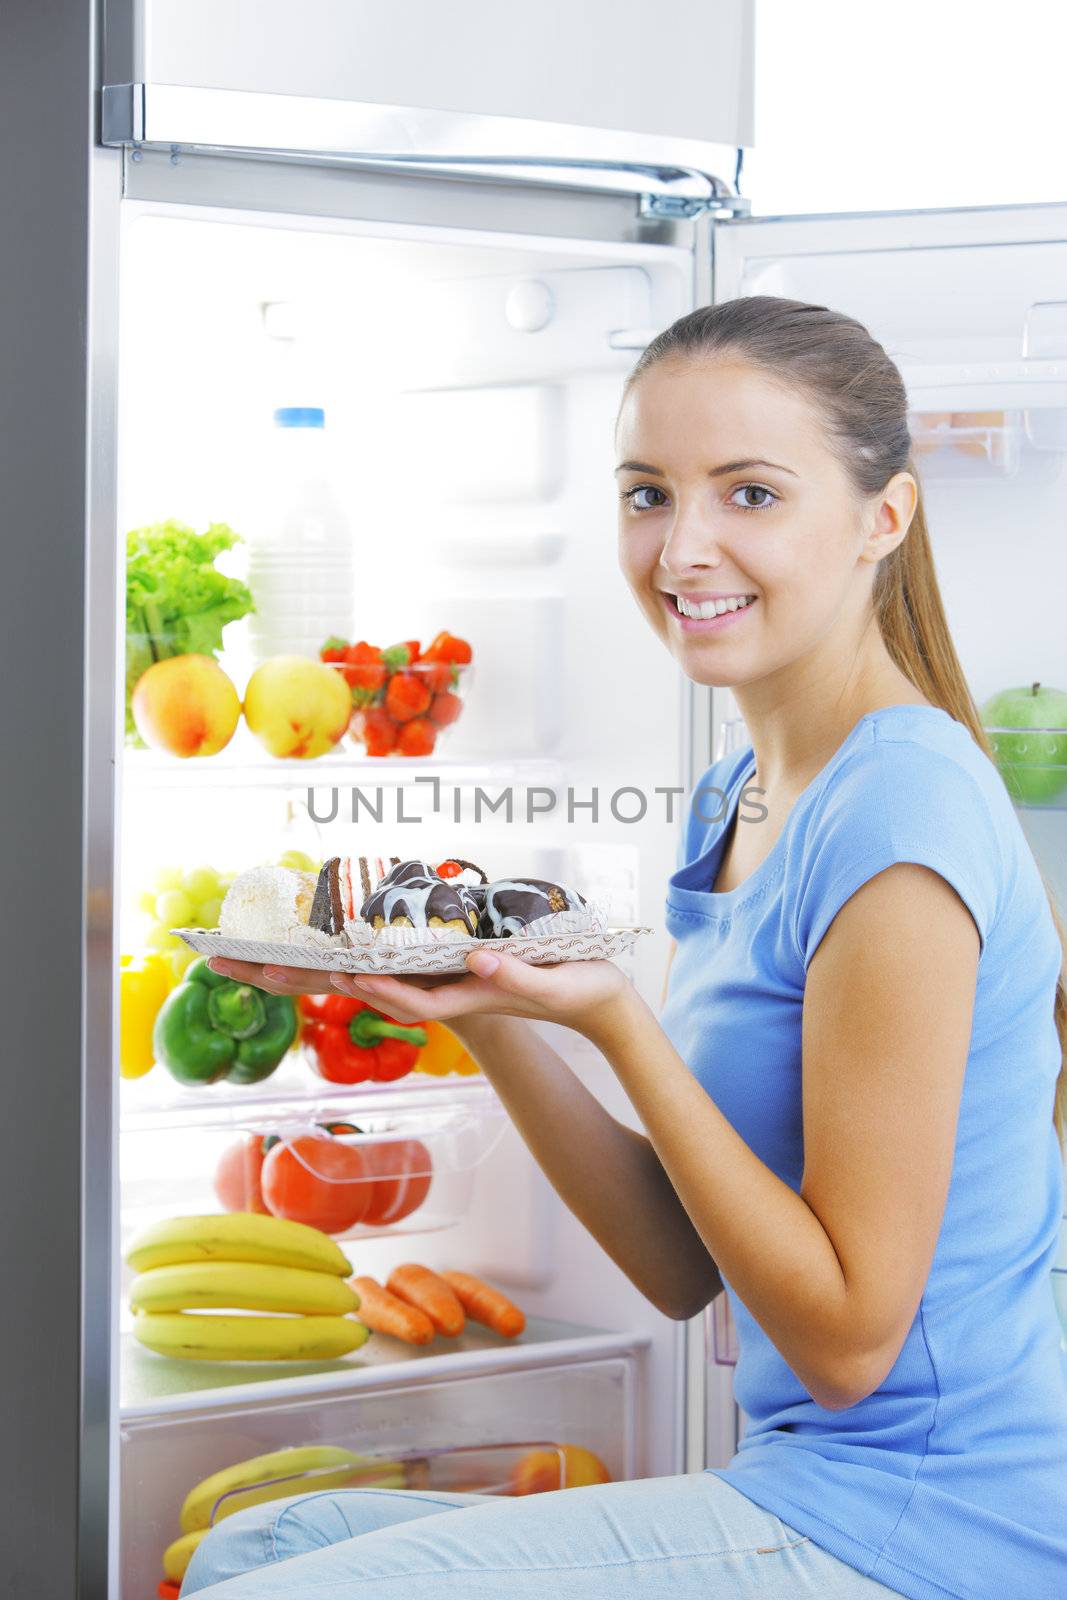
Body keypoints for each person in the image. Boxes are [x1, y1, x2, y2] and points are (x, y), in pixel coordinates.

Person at [182, 297, 1067, 1600]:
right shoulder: (738, 801)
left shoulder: (903, 809)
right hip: (808, 1485)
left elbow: (847, 1348)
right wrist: (483, 1008)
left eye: (751, 494)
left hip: (938, 1522)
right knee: (256, 1549)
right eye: (648, 493)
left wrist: (615, 1023)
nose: (682, 547)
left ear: (885, 517)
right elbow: (678, 1263)